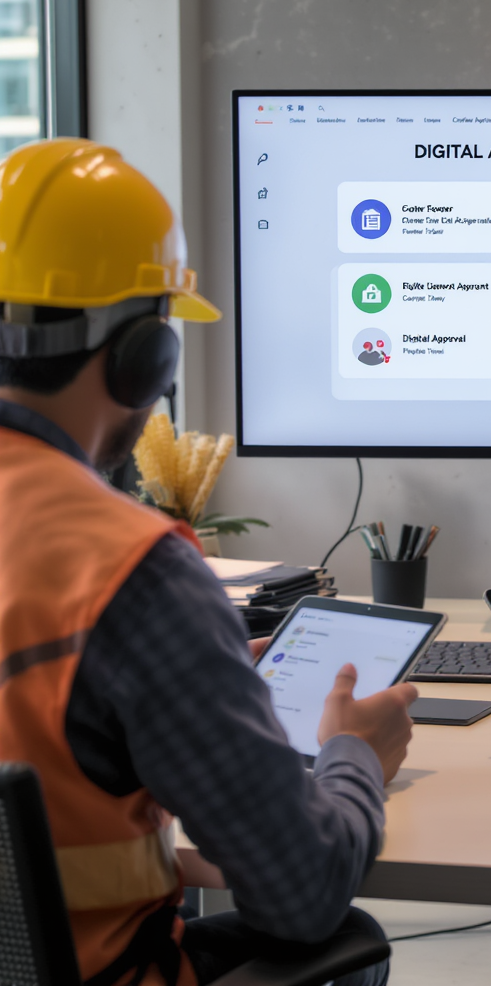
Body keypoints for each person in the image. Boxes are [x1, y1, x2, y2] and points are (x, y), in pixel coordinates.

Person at [0, 139, 417, 985]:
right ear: (145, 355)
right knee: (343, 943)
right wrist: (355, 757)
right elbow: (301, 894)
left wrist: (200, 681)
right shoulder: (127, 569)